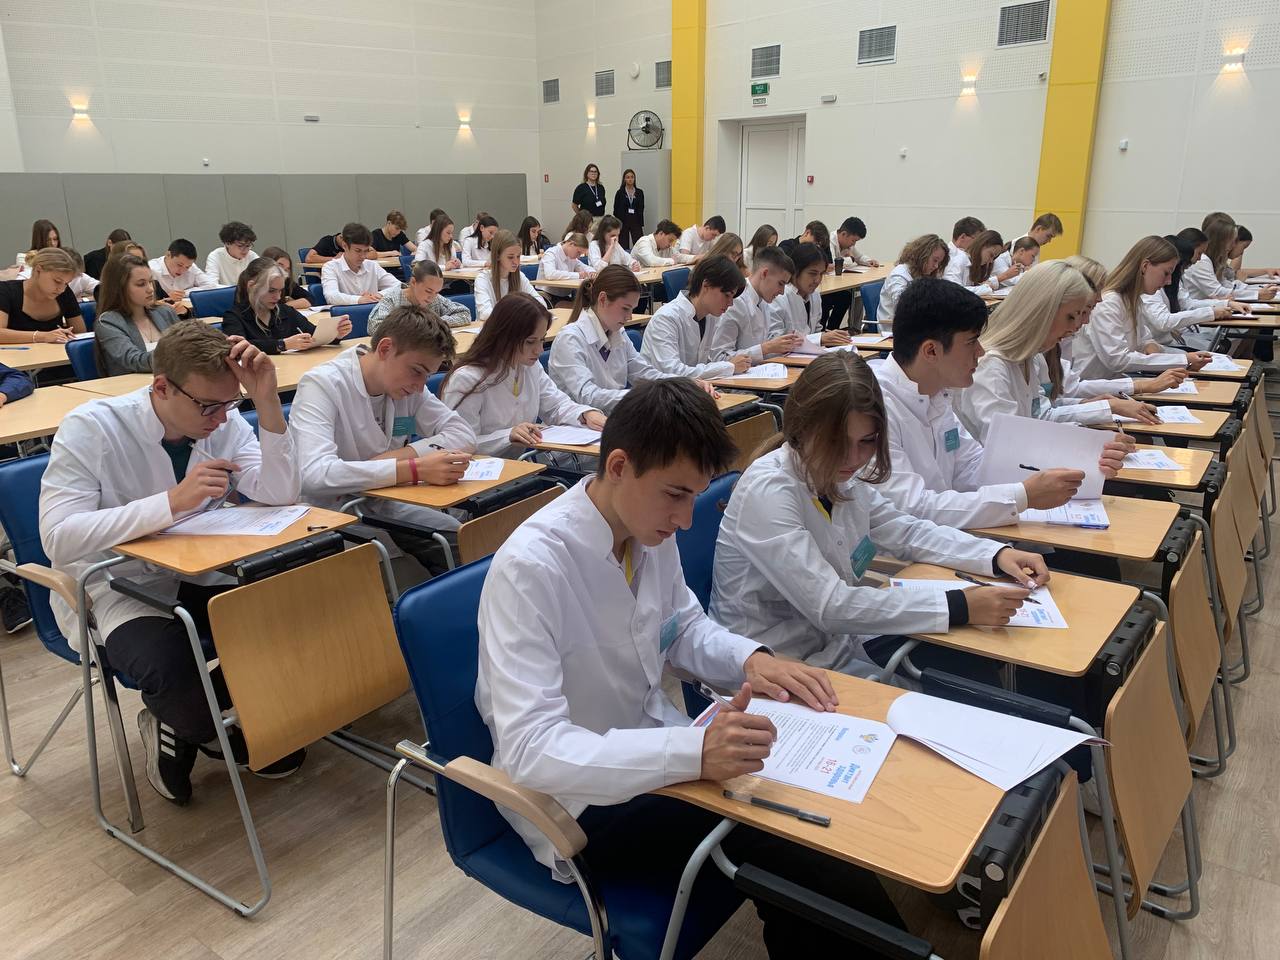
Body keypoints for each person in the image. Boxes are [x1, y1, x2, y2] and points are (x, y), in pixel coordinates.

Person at [476, 377, 908, 955]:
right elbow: (532, 750)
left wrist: (751, 660)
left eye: (694, 497)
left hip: (657, 750)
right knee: (786, 837)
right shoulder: (531, 568)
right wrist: (693, 753)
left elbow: (683, 629)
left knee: (800, 819)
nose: (685, 520)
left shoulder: (643, 528)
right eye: (676, 495)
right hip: (578, 801)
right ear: (619, 466)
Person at [39, 320, 302, 804]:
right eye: (208, 406)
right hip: (117, 586)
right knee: (178, 677)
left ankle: (207, 713)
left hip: (201, 566)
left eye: (230, 404)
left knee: (291, 615)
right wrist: (171, 503)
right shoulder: (92, 427)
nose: (220, 418)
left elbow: (281, 491)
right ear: (161, 387)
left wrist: (265, 402)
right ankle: (190, 720)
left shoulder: (222, 418)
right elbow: (58, 537)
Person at [711, 350, 1048, 685]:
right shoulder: (769, 491)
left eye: (867, 441)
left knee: (969, 675)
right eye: (836, 442)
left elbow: (907, 532)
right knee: (952, 693)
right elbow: (831, 606)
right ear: (801, 427)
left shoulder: (840, 477)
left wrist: (995, 555)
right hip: (772, 670)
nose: (853, 457)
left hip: (833, 651)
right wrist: (957, 605)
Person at [871, 277, 1127, 529]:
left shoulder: (935, 395)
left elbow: (978, 467)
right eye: (971, 342)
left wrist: (1084, 465)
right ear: (931, 351)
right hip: (918, 545)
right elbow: (912, 507)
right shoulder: (876, 407)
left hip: (950, 534)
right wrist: (1023, 496)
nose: (980, 352)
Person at [290, 305, 476, 576]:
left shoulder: (407, 386)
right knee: (409, 580)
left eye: (428, 375)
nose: (421, 386)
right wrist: (413, 469)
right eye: (417, 371)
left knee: (467, 541)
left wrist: (395, 459)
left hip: (385, 500)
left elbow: (463, 434)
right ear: (386, 349)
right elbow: (315, 475)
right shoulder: (321, 385)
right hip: (332, 516)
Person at [954, 261, 1144, 441]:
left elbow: (1040, 415)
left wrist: (1095, 428)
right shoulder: (990, 367)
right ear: (1042, 312)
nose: (1076, 326)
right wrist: (1088, 442)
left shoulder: (1030, 358)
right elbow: (1009, 443)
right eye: (1071, 316)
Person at [442, 293, 606, 457]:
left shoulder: (528, 366)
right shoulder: (467, 379)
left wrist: (585, 414)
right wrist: (507, 436)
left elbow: (556, 405)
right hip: (478, 470)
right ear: (504, 336)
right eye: (530, 342)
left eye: (542, 340)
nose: (539, 350)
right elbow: (459, 445)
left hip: (518, 467)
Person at [549, 265, 697, 412]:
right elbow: (588, 396)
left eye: (632, 309)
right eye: (625, 308)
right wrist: (647, 396)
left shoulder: (617, 332)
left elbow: (643, 373)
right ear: (603, 299)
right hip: (578, 424)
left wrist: (682, 384)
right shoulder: (570, 339)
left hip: (612, 417)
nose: (629, 317)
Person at [1070, 236, 1211, 381]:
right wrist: (1183, 359)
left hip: (1114, 382)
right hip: (1094, 385)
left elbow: (1144, 339)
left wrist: (1151, 346)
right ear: (1145, 266)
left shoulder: (1133, 300)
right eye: (1166, 273)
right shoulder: (1109, 303)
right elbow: (1118, 360)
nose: (1169, 281)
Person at [641, 255, 752, 379]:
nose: (730, 303)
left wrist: (735, 362)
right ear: (706, 285)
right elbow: (672, 372)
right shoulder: (666, 318)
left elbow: (709, 360)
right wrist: (729, 366)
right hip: (661, 390)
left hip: (692, 388)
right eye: (727, 295)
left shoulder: (711, 317)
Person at [223, 257, 351, 354]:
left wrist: (335, 334)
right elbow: (240, 347)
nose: (278, 297)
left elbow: (313, 334)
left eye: (280, 291)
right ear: (251, 286)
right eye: (271, 291)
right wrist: (282, 345)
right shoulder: (233, 317)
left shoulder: (286, 311)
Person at [707, 246, 803, 362]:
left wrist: (782, 346)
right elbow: (718, 357)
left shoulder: (763, 301)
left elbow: (761, 351)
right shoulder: (735, 301)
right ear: (765, 273)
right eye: (780, 284)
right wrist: (766, 348)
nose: (782, 292)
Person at [95, 253, 181, 375]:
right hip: (133, 385)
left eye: (151, 281)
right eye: (141, 284)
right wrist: (181, 355)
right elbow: (134, 361)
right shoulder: (108, 322)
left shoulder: (165, 312)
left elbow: (186, 346)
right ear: (119, 288)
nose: (150, 289)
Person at [765, 242, 851, 347]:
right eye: (812, 273)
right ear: (795, 271)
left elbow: (816, 330)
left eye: (821, 274)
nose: (818, 280)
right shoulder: (778, 298)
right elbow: (776, 343)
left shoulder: (815, 296)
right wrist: (819, 339)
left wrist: (828, 338)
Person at [0, 248, 84, 344]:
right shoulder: (5, 291)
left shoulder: (65, 293)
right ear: (38, 270)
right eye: (57, 281)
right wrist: (42, 336)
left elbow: (80, 332)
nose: (61, 289)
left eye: (66, 283)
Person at [369, 259, 471, 335]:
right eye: (428, 291)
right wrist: (418, 325)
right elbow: (375, 327)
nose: (432, 297)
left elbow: (464, 314)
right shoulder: (392, 299)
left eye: (437, 292)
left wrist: (435, 322)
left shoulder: (436, 299)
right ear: (413, 282)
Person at [878, 234, 949, 332]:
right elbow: (903, 308)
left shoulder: (925, 274)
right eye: (935, 260)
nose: (936, 266)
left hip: (914, 326)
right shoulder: (899, 274)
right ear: (922, 255)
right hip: (895, 330)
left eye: (939, 263)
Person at [320, 223, 399, 306]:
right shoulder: (330, 267)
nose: (363, 256)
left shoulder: (372, 266)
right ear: (345, 246)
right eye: (358, 251)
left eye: (366, 251)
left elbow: (399, 286)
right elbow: (331, 296)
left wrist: (379, 295)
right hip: (346, 313)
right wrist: (359, 299)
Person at [474, 230, 545, 321]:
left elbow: (541, 304)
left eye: (518, 256)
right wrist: (520, 314)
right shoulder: (483, 279)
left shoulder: (520, 277)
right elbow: (486, 313)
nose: (516, 262)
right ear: (498, 256)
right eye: (510, 257)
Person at [149, 239, 219, 311]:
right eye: (179, 265)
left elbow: (211, 286)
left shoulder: (191, 267)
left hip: (186, 311)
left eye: (187, 267)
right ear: (168, 255)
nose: (182, 270)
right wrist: (166, 298)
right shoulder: (151, 270)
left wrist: (184, 293)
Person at [991, 213, 1062, 280]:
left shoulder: (1035, 247)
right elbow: (1009, 279)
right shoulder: (1016, 245)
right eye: (1048, 236)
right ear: (1038, 229)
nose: (1049, 241)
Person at [947, 229, 1011, 295]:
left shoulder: (973, 264)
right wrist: (985, 288)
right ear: (982, 245)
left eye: (994, 258)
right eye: (991, 255)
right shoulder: (959, 260)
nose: (991, 261)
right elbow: (954, 290)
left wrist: (986, 286)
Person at [203, 222, 257, 286]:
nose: (245, 250)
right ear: (227, 243)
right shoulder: (215, 256)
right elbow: (211, 284)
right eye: (240, 246)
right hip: (225, 292)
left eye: (248, 245)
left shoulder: (252, 256)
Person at [613, 168, 644, 249]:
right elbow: (615, 209)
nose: (630, 179)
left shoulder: (639, 192)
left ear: (634, 179)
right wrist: (618, 222)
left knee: (639, 244)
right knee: (623, 245)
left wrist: (640, 221)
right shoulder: (620, 192)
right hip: (623, 222)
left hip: (636, 221)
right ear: (624, 179)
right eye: (628, 177)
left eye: (632, 177)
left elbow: (641, 208)